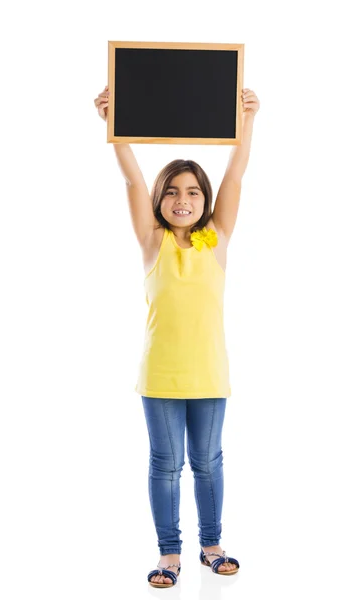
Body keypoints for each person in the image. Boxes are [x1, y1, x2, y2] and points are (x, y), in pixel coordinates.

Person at [94, 84, 260, 588]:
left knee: (207, 463)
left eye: (192, 192)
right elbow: (130, 180)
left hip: (209, 372)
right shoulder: (152, 241)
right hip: (161, 375)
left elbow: (235, 175)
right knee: (165, 465)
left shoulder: (219, 239)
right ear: (159, 199)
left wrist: (248, 120)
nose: (182, 199)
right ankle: (170, 554)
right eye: (171, 191)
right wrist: (112, 126)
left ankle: (212, 545)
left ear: (204, 200)